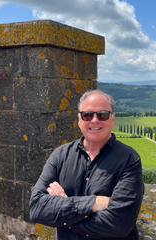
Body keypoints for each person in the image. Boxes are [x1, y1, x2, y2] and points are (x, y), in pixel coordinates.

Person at [30, 90, 144, 240]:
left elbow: (119, 224)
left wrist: (63, 210)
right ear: (79, 120)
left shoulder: (129, 159)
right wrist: (94, 203)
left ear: (112, 119)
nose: (94, 120)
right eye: (87, 115)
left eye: (102, 115)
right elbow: (36, 208)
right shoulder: (60, 155)